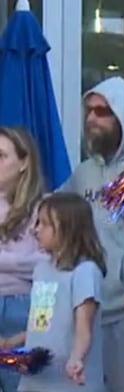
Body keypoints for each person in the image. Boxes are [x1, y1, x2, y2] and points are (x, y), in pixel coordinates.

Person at [56, 77, 124, 392]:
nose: (91, 119)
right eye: (88, 111)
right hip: (86, 314)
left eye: (102, 111)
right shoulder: (83, 172)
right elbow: (51, 217)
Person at [17, 193, 104, 392]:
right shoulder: (41, 270)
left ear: (68, 228)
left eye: (44, 224)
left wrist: (76, 358)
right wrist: (11, 342)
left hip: (68, 384)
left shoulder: (85, 272)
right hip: (36, 381)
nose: (35, 229)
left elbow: (84, 329)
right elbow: (43, 325)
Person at [0, 128, 47, 392]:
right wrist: (21, 261)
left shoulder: (44, 208)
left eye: (1, 155)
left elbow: (50, 265)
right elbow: (32, 261)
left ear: (24, 162)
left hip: (26, 308)